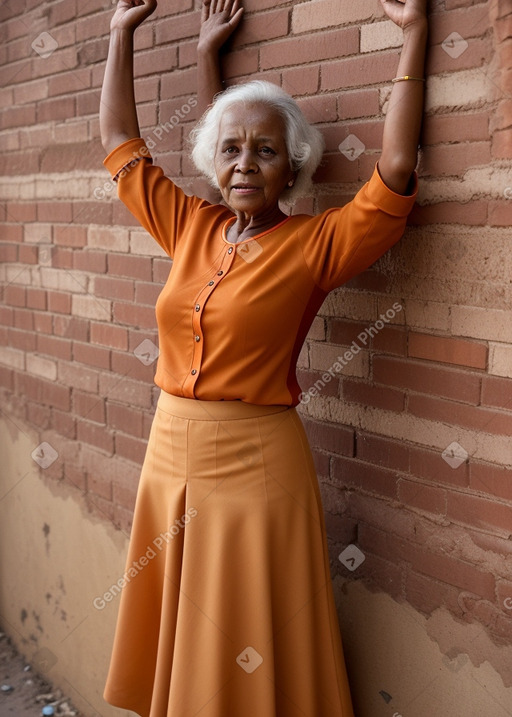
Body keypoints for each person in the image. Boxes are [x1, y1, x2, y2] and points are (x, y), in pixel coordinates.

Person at [99, 0, 428, 715]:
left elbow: (397, 170)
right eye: (232, 151)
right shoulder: (190, 224)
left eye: (267, 152)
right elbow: (122, 139)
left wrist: (414, 35)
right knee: (187, 612)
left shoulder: (315, 246)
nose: (246, 163)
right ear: (215, 162)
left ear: (293, 169)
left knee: (245, 611)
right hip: (168, 447)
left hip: (256, 461)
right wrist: (129, 33)